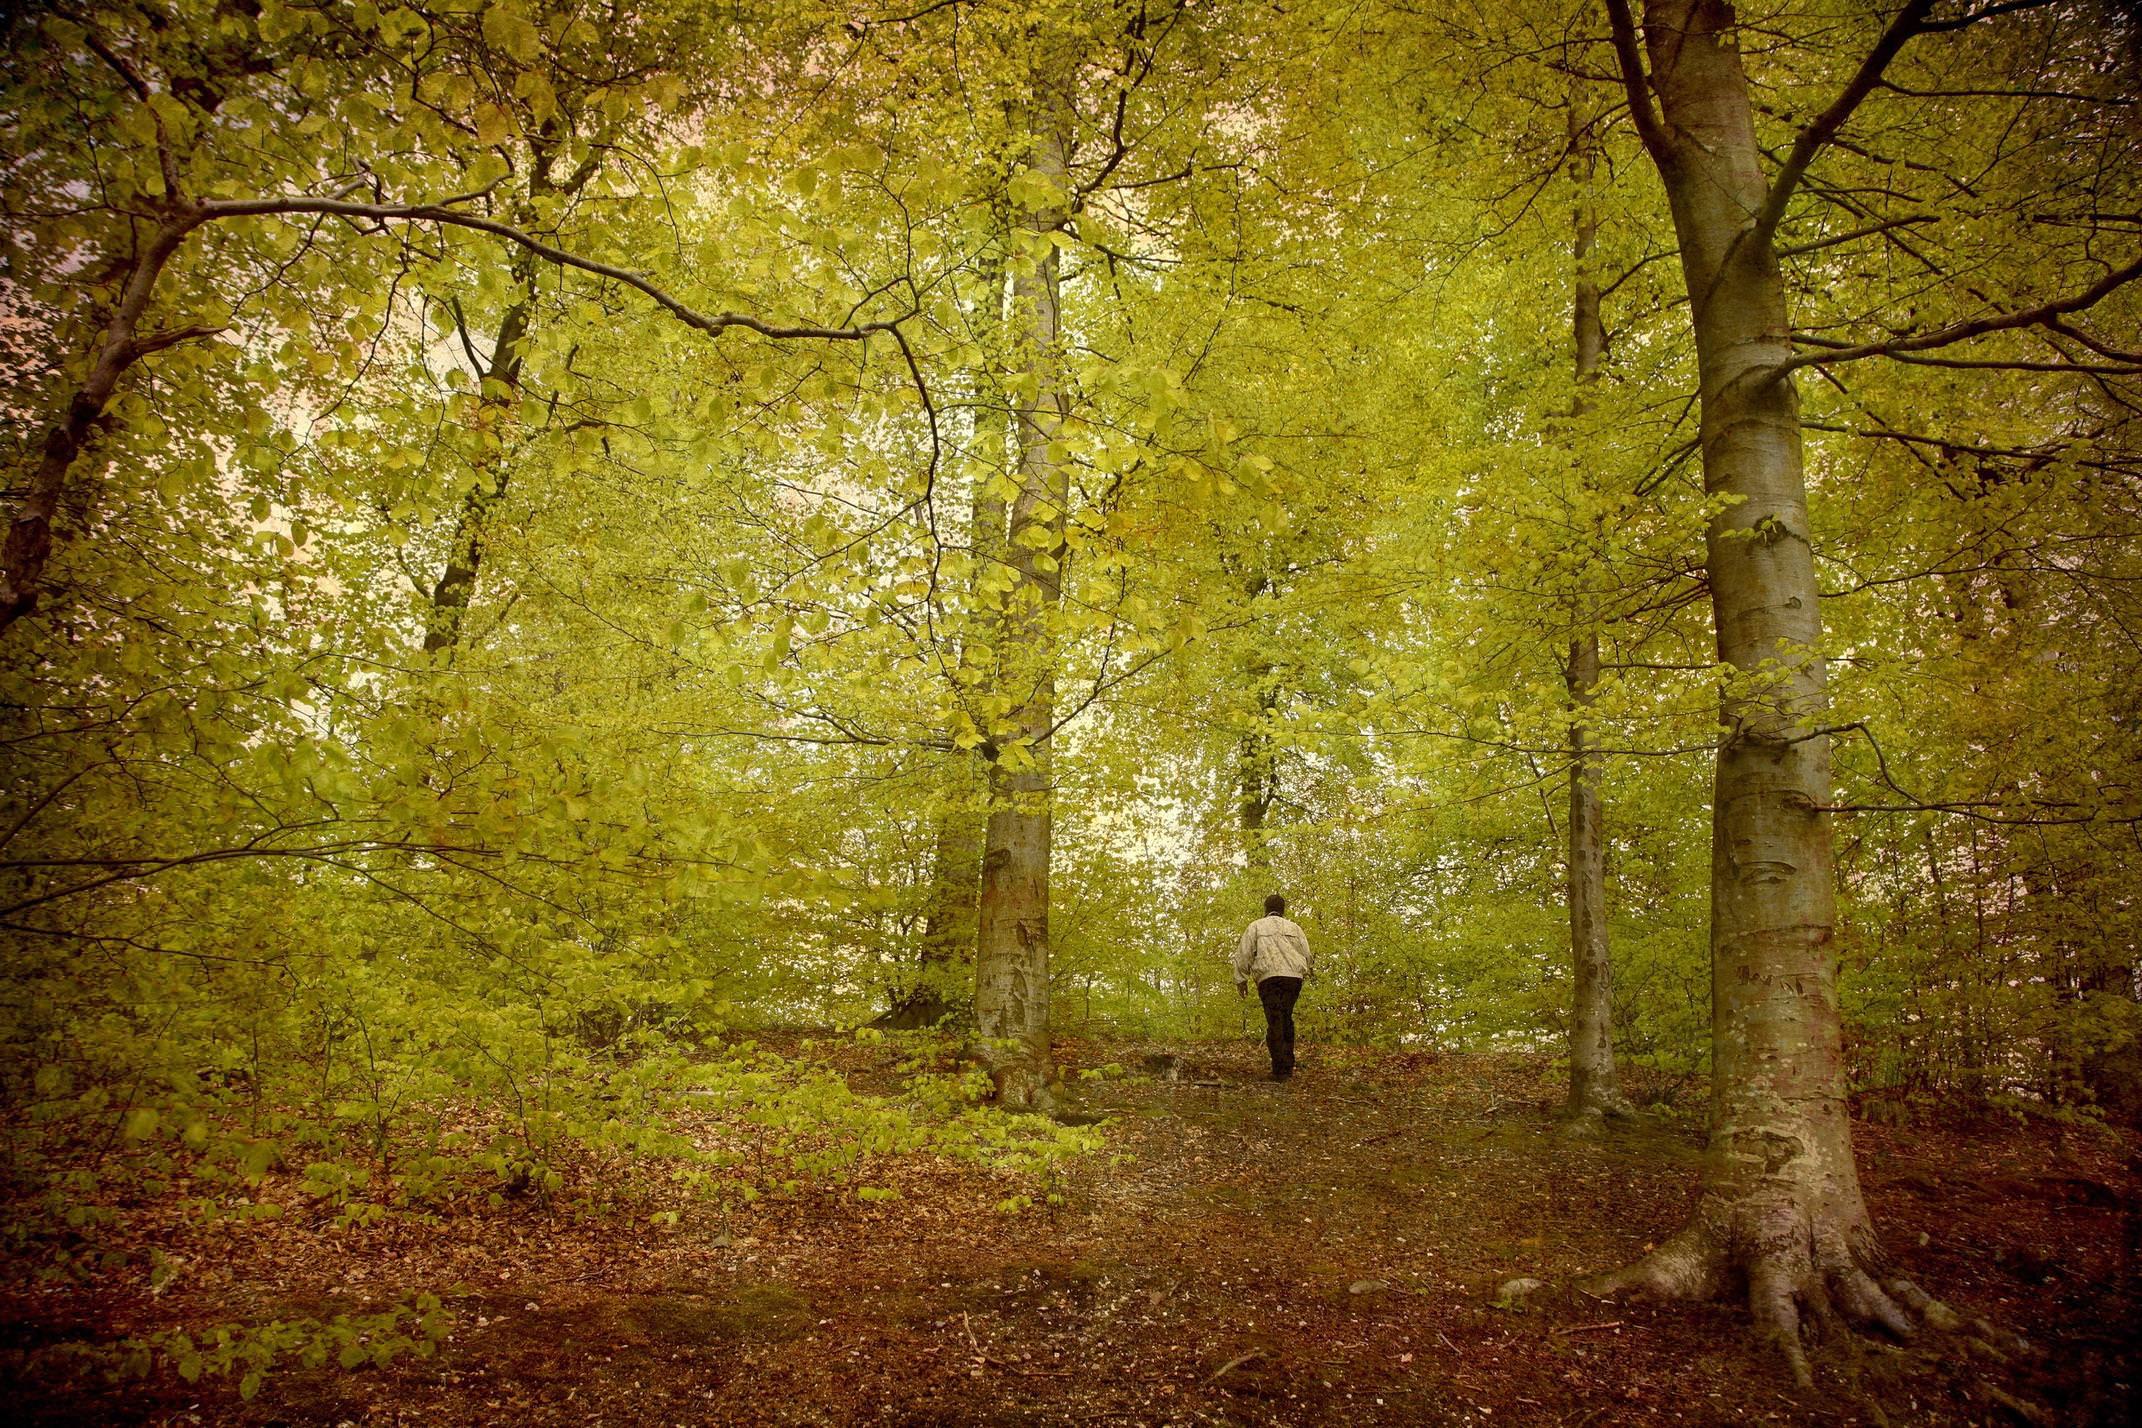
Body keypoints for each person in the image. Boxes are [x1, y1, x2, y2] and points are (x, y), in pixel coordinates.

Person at [1234, 894, 1314, 1081]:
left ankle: (1280, 1069)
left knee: (1275, 1020)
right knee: (1286, 1017)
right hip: (1293, 978)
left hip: (1269, 978)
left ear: (1265, 908)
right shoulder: (1295, 928)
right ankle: (1287, 1065)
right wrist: (1304, 972)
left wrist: (1241, 979)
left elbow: (1243, 954)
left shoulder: (1256, 926)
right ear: (1283, 909)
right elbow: (1307, 955)